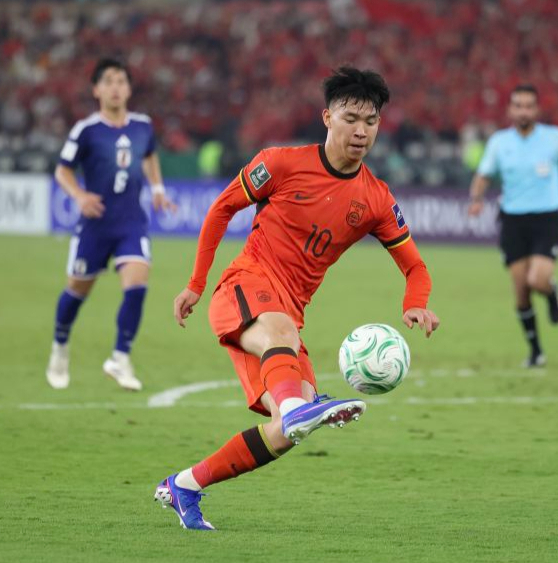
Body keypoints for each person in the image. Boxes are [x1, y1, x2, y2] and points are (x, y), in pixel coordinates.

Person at [155, 67, 440, 531]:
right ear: (327, 118)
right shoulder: (281, 163)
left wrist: (416, 302)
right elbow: (222, 208)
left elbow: (416, 267)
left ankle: (184, 484)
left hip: (285, 317)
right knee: (286, 360)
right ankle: (296, 408)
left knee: (286, 432)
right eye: (351, 118)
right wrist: (195, 283)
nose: (361, 131)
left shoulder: (376, 199)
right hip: (245, 287)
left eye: (371, 122)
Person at [45, 58, 175, 391]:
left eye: (121, 81)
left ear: (129, 89)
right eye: (108, 81)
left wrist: (157, 188)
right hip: (96, 225)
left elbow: (149, 155)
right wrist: (79, 196)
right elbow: (62, 170)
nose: (115, 87)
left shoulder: (143, 126)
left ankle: (120, 357)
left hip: (131, 222)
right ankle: (60, 345)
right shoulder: (86, 130)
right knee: (77, 291)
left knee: (137, 284)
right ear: (96, 90)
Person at [467, 84, 558, 368]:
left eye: (528, 106)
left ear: (537, 109)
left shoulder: (554, 138)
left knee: (537, 280)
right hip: (513, 221)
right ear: (510, 110)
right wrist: (476, 199)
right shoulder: (499, 142)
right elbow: (484, 174)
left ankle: (551, 292)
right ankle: (536, 351)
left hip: (545, 219)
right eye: (518, 106)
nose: (523, 111)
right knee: (521, 291)